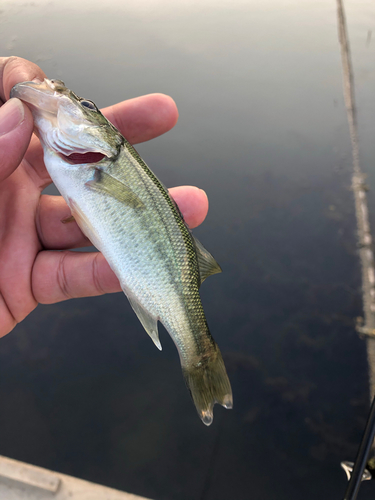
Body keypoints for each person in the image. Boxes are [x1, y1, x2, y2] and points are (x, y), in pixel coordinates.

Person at [0, 56, 209, 338]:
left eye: (85, 106)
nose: (73, 102)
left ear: (106, 145)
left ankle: (196, 348)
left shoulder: (104, 162)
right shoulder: (85, 162)